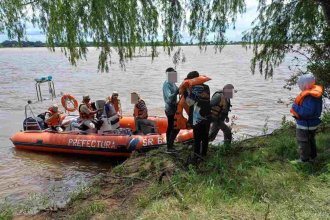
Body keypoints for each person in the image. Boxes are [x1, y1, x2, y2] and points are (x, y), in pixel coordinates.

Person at [290, 74, 323, 163]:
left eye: (300, 85)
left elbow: (307, 112)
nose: (299, 86)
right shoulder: (315, 95)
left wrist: (295, 107)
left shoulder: (310, 97)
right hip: (312, 123)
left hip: (305, 124)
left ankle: (304, 160)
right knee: (311, 139)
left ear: (306, 85)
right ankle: (313, 157)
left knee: (303, 141)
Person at [186, 71, 211, 163]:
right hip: (207, 116)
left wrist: (186, 92)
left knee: (197, 139)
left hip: (197, 118)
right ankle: (204, 155)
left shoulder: (194, 89)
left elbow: (189, 102)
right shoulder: (206, 87)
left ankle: (196, 157)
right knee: (205, 137)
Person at [162, 67, 179, 152]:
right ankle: (169, 146)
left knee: (172, 126)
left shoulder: (173, 83)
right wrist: (176, 92)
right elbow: (169, 97)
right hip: (169, 109)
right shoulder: (166, 84)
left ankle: (170, 144)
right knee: (172, 127)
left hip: (174, 108)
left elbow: (178, 90)